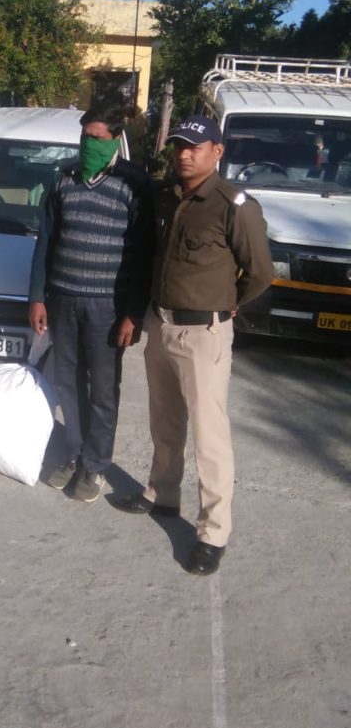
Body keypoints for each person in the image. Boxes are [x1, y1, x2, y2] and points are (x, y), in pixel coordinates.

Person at [111, 115, 273, 575]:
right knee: (164, 421)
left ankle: (213, 531)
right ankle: (162, 493)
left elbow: (261, 272)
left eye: (195, 147)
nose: (184, 154)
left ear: (217, 152)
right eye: (179, 146)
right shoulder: (166, 196)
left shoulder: (234, 206)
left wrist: (228, 303)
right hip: (161, 325)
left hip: (204, 334)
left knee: (209, 436)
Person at [28, 103, 154, 502]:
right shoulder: (63, 179)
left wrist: (133, 313)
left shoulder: (134, 184)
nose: (88, 145)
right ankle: (75, 452)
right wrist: (37, 296)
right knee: (67, 383)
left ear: (116, 139)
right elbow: (46, 242)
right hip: (63, 300)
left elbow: (144, 254)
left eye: (97, 139)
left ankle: (96, 465)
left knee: (101, 389)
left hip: (108, 308)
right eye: (84, 137)